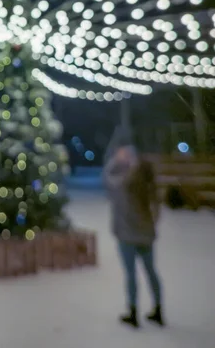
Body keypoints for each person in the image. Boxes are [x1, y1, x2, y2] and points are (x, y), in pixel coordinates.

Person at [104, 134, 164, 329]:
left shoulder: (128, 179)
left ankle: (133, 312)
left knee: (132, 274)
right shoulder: (147, 178)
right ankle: (158, 310)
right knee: (150, 271)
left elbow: (110, 181)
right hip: (144, 232)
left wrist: (117, 162)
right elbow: (155, 207)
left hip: (128, 233)